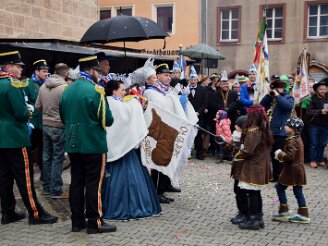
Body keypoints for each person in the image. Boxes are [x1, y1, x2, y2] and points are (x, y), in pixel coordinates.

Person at [59, 56, 116, 234]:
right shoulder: (96, 91)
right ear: (91, 71)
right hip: (93, 143)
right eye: (97, 71)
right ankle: (94, 222)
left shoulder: (67, 90)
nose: (99, 74)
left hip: (73, 142)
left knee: (76, 182)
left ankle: (77, 222)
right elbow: (108, 120)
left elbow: (63, 117)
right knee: (94, 183)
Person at [0, 51, 58, 225]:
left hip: (2, 137)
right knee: (25, 178)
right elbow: (21, 113)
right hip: (16, 137)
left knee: (4, 177)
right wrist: (30, 111)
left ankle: (8, 211)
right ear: (9, 66)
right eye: (18, 66)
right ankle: (36, 213)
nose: (20, 69)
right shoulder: (12, 85)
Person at [102, 80, 162, 220]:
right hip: (122, 147)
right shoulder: (115, 104)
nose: (124, 93)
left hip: (119, 146)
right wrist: (135, 102)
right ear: (113, 91)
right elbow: (126, 115)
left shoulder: (109, 102)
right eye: (122, 90)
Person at [143, 63, 180, 204]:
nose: (168, 77)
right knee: (156, 163)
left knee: (163, 161)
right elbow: (162, 105)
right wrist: (174, 96)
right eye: (155, 77)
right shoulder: (150, 92)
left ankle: (161, 190)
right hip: (156, 131)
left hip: (164, 129)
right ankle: (156, 192)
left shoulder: (160, 90)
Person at [235, 105, 273, 230]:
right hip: (259, 165)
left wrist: (238, 154)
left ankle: (254, 220)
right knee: (255, 193)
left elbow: (248, 151)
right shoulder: (263, 129)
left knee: (252, 194)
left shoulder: (253, 131)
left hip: (252, 167)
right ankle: (258, 218)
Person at [35, 63, 69, 199]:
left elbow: (37, 106)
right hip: (59, 126)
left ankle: (46, 187)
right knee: (57, 158)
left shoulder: (43, 86)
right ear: (65, 73)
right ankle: (56, 189)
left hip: (46, 125)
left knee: (46, 156)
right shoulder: (64, 88)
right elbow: (67, 108)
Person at [272, 117, 310, 224]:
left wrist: (279, 154)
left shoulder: (292, 140)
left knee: (280, 187)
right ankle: (300, 213)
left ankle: (288, 213)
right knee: (296, 191)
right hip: (297, 170)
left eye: (287, 125)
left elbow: (290, 156)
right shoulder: (297, 138)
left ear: (292, 129)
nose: (285, 126)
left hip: (292, 171)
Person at [260, 79, 294, 181]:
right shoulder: (271, 98)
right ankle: (273, 176)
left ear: (282, 88)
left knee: (278, 155)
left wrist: (277, 96)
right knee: (270, 154)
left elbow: (288, 107)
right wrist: (268, 95)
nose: (275, 90)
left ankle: (279, 176)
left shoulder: (288, 97)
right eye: (274, 88)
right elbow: (261, 106)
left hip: (280, 132)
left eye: (277, 88)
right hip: (269, 130)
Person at [24, 59, 49, 180]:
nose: (46, 74)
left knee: (44, 150)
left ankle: (44, 175)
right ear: (36, 71)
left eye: (47, 71)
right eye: (43, 71)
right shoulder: (28, 83)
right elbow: (25, 102)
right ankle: (28, 174)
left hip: (44, 122)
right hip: (32, 123)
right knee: (29, 149)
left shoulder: (47, 84)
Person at [229, 115, 247, 225]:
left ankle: (244, 213)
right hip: (236, 168)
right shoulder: (236, 136)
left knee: (242, 192)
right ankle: (240, 212)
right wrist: (223, 141)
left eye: (237, 125)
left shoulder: (247, 138)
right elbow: (231, 148)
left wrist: (238, 148)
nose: (235, 126)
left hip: (243, 170)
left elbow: (245, 152)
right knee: (236, 190)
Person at [306, 78, 328, 168]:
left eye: (324, 89)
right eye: (321, 89)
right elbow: (308, 111)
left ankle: (320, 159)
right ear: (317, 90)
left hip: (325, 124)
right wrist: (320, 111)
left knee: (322, 143)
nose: (323, 91)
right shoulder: (312, 99)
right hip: (314, 125)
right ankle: (313, 160)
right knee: (314, 143)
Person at [188, 66, 208, 160]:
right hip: (187, 116)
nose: (192, 81)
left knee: (198, 135)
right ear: (189, 79)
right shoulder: (185, 89)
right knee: (187, 134)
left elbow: (205, 103)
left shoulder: (203, 89)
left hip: (198, 116)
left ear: (197, 80)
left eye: (194, 79)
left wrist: (198, 112)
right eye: (191, 79)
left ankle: (199, 153)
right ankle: (187, 153)